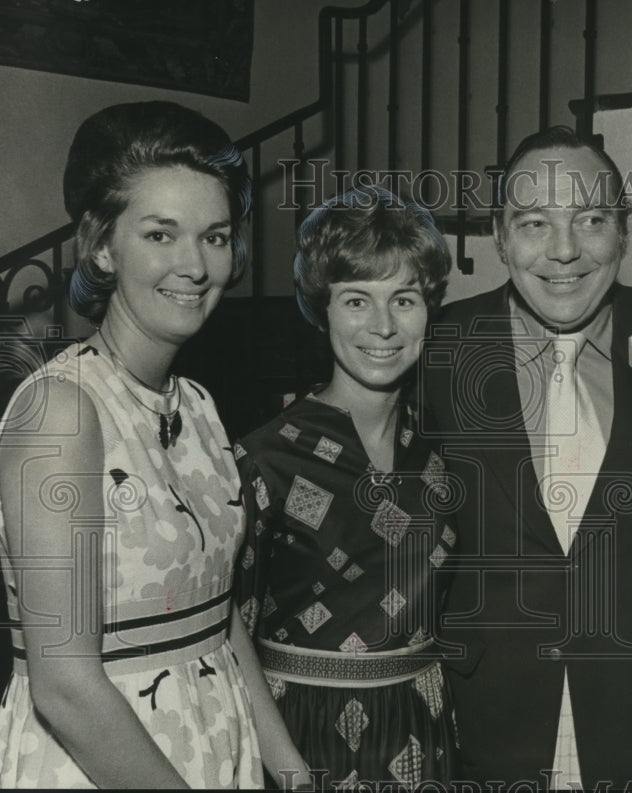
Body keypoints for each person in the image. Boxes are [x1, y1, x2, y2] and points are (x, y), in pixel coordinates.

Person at [0, 101, 310, 789]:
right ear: (103, 245)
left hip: (212, 745)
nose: (194, 265)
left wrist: (287, 764)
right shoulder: (60, 412)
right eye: (161, 235)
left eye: (216, 236)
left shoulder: (197, 404)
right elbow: (66, 688)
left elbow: (213, 607)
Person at [421, 126, 632, 789]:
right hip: (489, 722)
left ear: (623, 233)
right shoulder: (437, 347)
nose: (565, 251)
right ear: (500, 236)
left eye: (591, 220)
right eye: (534, 222)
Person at [232, 186, 457, 788]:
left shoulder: (441, 448)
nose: (383, 326)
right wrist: (290, 772)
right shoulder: (265, 459)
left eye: (403, 299)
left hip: (423, 727)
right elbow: (228, 632)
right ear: (321, 308)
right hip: (301, 732)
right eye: (357, 300)